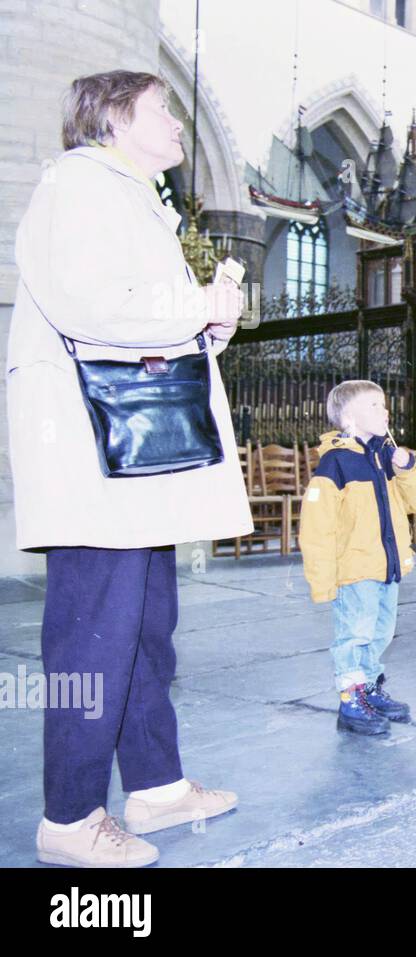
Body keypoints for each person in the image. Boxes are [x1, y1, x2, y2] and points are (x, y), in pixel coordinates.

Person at [9, 71, 252, 867]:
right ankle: (70, 817)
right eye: (163, 109)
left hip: (136, 458)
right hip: (91, 452)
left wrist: (209, 319)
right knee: (91, 639)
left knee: (147, 629)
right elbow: (91, 302)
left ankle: (156, 782)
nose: (179, 122)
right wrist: (197, 307)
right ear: (115, 118)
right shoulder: (78, 184)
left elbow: (147, 316)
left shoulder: (134, 195)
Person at [298, 381, 416, 735]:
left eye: (385, 405)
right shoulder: (335, 463)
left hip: (385, 565)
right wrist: (322, 581)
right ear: (348, 418)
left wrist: (406, 468)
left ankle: (370, 689)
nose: (385, 412)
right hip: (354, 569)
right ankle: (351, 699)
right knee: (354, 634)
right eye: (374, 406)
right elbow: (317, 528)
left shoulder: (382, 457)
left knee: (380, 633)